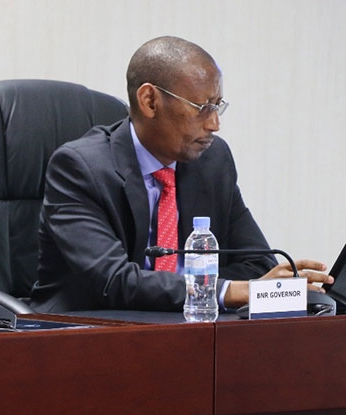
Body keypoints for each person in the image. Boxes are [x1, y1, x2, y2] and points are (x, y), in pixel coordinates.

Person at [30, 36, 332, 312]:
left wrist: (259, 287)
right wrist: (226, 290)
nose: (214, 124)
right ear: (150, 101)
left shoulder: (212, 160)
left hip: (183, 327)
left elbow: (256, 263)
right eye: (202, 107)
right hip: (84, 332)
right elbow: (112, 281)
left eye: (217, 106)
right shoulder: (79, 168)